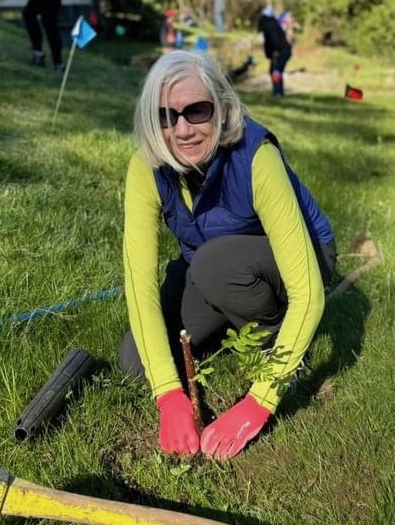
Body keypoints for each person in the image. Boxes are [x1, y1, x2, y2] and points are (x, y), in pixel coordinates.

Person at [120, 50, 336, 460]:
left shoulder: (256, 156)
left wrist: (262, 399)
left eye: (197, 111)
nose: (182, 130)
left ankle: (279, 344)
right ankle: (235, 320)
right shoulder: (146, 167)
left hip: (300, 259)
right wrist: (168, 393)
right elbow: (139, 283)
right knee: (136, 359)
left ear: (221, 108)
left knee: (215, 265)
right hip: (213, 265)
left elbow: (307, 291)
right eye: (166, 116)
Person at [257, 6, 292, 97]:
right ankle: (278, 91)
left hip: (280, 51)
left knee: (276, 71)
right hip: (282, 50)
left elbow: (274, 40)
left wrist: (276, 50)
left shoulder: (269, 26)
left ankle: (278, 92)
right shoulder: (273, 24)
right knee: (275, 71)